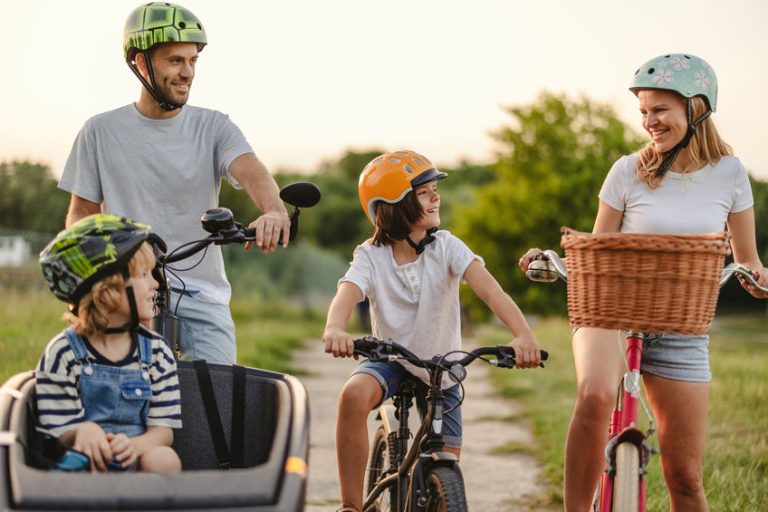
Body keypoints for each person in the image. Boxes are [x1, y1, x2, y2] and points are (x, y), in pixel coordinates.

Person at [519, 53, 768, 511]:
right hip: (611, 313)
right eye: (644, 112)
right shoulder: (627, 170)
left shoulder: (730, 174)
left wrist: (757, 277)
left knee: (685, 477)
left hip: (682, 328)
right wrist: (554, 259)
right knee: (595, 395)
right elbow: (599, 248)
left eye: (660, 110)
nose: (649, 122)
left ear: (697, 109)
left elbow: (748, 260)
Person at [57, 2, 291, 364]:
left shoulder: (214, 127)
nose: (187, 72)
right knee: (116, 397)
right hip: (127, 293)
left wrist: (273, 210)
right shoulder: (99, 132)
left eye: (193, 60)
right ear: (140, 63)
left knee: (219, 403)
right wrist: (103, 268)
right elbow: (80, 215)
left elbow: (252, 171)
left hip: (202, 295)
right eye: (175, 61)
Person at [323, 150, 542, 512]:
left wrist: (523, 336)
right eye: (424, 192)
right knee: (352, 395)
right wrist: (335, 327)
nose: (436, 196)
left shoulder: (447, 247)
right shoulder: (371, 255)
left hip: (443, 368)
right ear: (393, 206)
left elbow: (491, 291)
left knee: (444, 462)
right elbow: (347, 293)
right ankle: (350, 506)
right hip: (390, 358)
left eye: (434, 189)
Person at [35, 214, 182, 473]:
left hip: (135, 461)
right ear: (108, 291)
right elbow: (55, 431)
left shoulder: (158, 354)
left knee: (164, 459)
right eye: (145, 275)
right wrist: (83, 430)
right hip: (87, 465)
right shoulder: (63, 353)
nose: (155, 284)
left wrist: (135, 447)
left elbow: (163, 431)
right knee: (79, 463)